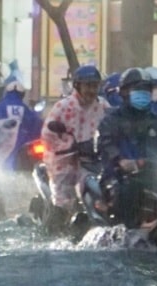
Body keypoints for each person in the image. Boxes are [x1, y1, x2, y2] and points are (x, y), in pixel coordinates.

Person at [94, 67, 157, 227]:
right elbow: (105, 144)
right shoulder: (112, 120)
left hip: (155, 172)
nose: (142, 93)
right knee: (127, 192)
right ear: (123, 92)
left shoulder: (156, 120)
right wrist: (120, 161)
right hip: (120, 176)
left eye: (146, 89)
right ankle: (126, 233)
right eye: (137, 89)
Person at [41, 64, 108, 216]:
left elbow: (113, 127)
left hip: (95, 160)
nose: (91, 90)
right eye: (88, 86)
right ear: (77, 86)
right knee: (62, 197)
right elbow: (47, 133)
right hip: (65, 160)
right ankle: (57, 223)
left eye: (95, 86)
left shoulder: (103, 106)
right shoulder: (63, 106)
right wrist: (68, 145)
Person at [0, 77, 43, 170]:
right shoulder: (25, 109)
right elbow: (35, 125)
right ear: (22, 95)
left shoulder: (0, 107)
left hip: (3, 141)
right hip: (22, 144)